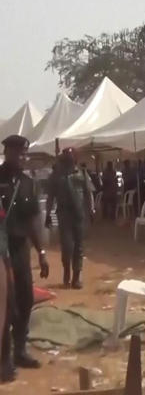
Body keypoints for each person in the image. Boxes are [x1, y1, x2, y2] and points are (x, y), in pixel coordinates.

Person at [0, 135, 48, 381]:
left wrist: (41, 253)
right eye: (17, 152)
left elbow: (33, 222)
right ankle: (4, 359)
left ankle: (20, 350)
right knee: (5, 305)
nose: (22, 156)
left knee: (25, 299)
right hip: (0, 250)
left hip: (20, 250)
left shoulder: (29, 183)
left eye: (24, 153)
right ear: (6, 151)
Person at [45, 148, 94, 290]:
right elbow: (50, 197)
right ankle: (66, 269)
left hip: (78, 214)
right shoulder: (56, 176)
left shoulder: (82, 173)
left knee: (78, 246)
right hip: (63, 214)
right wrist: (48, 214)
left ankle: (76, 277)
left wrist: (91, 210)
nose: (68, 162)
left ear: (75, 160)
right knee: (67, 247)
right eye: (65, 159)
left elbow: (88, 193)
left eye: (70, 159)